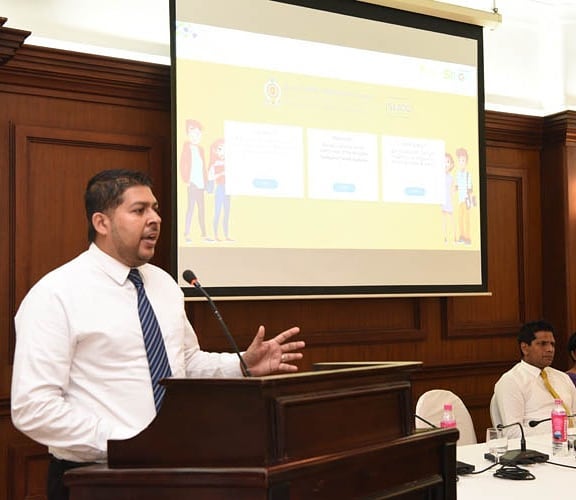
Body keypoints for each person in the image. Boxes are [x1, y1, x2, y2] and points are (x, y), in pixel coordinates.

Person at [10, 169, 304, 500]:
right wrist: (127, 442)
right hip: (95, 479)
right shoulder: (56, 294)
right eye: (139, 210)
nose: (155, 219)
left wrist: (241, 366)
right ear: (101, 223)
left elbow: (183, 362)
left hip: (174, 469)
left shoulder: (163, 284)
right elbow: (34, 407)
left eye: (155, 208)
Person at [493, 320, 576, 438]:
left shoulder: (562, 378)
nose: (550, 349)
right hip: (539, 450)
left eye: (552, 344)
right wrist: (558, 432)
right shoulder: (511, 381)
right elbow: (513, 432)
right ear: (525, 348)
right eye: (542, 344)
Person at [180, 119, 210, 242]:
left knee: (201, 209)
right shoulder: (186, 148)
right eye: (193, 133)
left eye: (198, 134)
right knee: (190, 209)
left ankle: (204, 234)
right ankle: (187, 234)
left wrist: (206, 182)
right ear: (188, 134)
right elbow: (182, 164)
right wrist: (186, 180)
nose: (196, 136)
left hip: (201, 184)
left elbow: (203, 167)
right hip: (192, 183)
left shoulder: (201, 149)